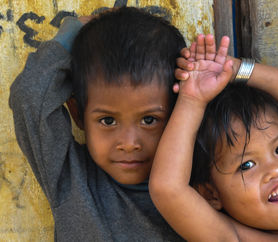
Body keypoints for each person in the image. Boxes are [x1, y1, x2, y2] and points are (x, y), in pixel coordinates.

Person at [9, 7, 186, 241]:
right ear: (78, 115)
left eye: (149, 120)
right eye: (108, 120)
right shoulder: (72, 180)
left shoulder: (199, 186)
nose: (129, 143)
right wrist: (72, 32)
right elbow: (28, 97)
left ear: (178, 113)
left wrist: (231, 71)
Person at [149, 33, 278, 241]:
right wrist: (192, 100)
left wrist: (234, 70)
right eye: (247, 165)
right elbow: (168, 188)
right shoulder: (233, 237)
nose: (275, 169)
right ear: (211, 194)